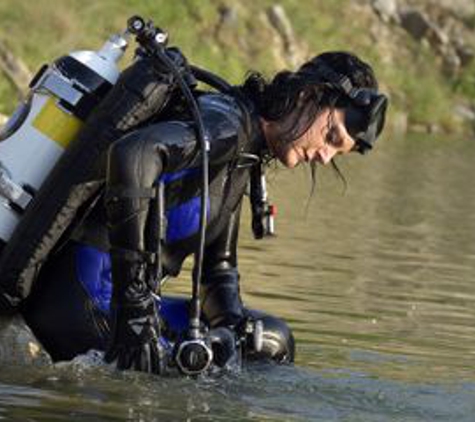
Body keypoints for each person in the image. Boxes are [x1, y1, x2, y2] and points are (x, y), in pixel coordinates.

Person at [21, 50, 387, 374]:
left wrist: (229, 331)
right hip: (80, 301)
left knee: (269, 342)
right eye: (332, 137)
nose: (325, 156)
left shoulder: (245, 155)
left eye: (338, 153)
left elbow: (218, 271)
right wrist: (134, 308)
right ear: (309, 96)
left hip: (126, 304)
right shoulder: (226, 123)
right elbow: (134, 154)